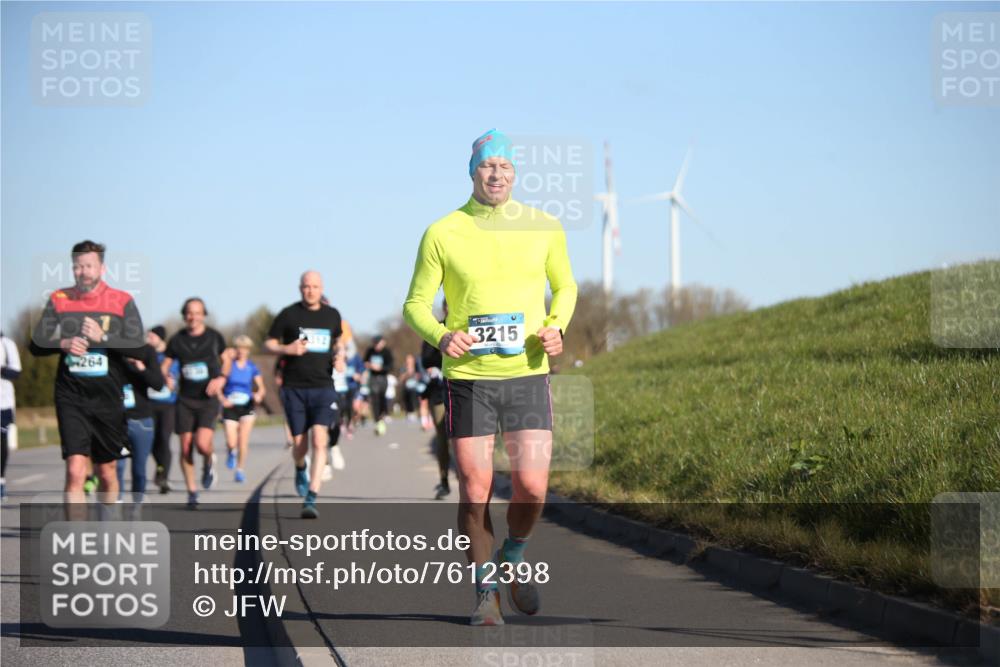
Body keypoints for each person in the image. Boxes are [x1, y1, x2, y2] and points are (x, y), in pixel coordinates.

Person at [403, 130, 577, 626]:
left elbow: (565, 286)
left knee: (531, 486)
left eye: (504, 166)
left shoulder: (543, 226)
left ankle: (512, 559)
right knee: (475, 487)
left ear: (515, 174)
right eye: (486, 165)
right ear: (472, 172)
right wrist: (440, 335)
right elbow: (414, 302)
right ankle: (485, 593)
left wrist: (556, 326)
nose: (495, 173)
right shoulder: (443, 231)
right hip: (469, 378)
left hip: (525, 372)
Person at [29, 240, 147, 506]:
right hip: (71, 395)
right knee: (75, 470)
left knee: (106, 472)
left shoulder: (122, 300)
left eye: (89, 266)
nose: (83, 272)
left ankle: (109, 524)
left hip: (107, 398)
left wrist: (103, 336)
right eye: (77, 266)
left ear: (102, 268)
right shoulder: (59, 299)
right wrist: (63, 343)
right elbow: (36, 343)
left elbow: (140, 348)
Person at [265, 271, 342, 519]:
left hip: (323, 386)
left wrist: (339, 356)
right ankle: (300, 467)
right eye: (306, 286)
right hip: (294, 388)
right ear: (300, 288)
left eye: (315, 286)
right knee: (300, 445)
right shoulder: (289, 315)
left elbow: (337, 341)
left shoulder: (332, 315)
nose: (311, 290)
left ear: (322, 289)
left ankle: (311, 496)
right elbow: (268, 343)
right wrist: (287, 348)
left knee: (320, 441)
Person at [161, 298, 229, 509]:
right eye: (189, 313)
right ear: (184, 315)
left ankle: (209, 460)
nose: (193, 317)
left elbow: (226, 359)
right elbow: (165, 365)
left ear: (203, 315)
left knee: (202, 444)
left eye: (197, 313)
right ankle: (192, 492)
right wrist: (168, 378)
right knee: (185, 447)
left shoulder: (214, 337)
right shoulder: (177, 340)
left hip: (207, 399)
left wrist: (221, 379)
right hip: (185, 399)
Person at [116, 343, 165, 502]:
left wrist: (141, 368)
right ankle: (117, 507)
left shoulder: (146, 351)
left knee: (139, 470)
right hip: (116, 421)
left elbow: (158, 384)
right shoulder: (110, 350)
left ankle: (136, 509)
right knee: (117, 467)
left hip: (142, 421)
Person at [220, 335, 265, 483]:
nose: (241, 351)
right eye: (239, 348)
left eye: (244, 348)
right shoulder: (228, 365)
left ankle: (240, 470)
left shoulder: (251, 367)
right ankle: (231, 451)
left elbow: (261, 388)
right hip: (230, 406)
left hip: (246, 406)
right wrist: (223, 399)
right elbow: (218, 383)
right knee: (232, 441)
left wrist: (258, 394)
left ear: (248, 350)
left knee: (243, 441)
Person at [420, 300, 450, 500]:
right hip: (440, 393)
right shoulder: (435, 330)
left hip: (470, 390)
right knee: (443, 436)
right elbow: (426, 361)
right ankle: (444, 480)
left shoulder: (475, 326)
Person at [146, 325, 179, 494]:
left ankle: (163, 476)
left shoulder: (172, 357)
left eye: (151, 336)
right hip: (149, 403)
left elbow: (179, 378)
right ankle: (160, 466)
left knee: (164, 439)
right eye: (148, 336)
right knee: (150, 441)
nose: (148, 339)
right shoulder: (145, 354)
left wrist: (174, 384)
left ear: (160, 338)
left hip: (168, 404)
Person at [1, 333, 22, 500]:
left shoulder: (6, 344)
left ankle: (0, 479)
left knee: (1, 444)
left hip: (3, 403)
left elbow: (16, 372)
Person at [364, 335, 394, 436]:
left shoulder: (387, 352)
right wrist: (369, 365)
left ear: (383, 342)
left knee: (381, 398)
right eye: (374, 343)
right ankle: (377, 421)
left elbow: (390, 366)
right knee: (374, 398)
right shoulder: (370, 351)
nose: (376, 346)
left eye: (378, 343)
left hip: (383, 378)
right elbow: (365, 362)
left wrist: (380, 368)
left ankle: (382, 417)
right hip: (373, 378)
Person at [400, 354, 422, 422]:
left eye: (410, 360)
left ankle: (418, 412)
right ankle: (409, 412)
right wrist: (407, 374)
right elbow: (401, 379)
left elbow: (421, 375)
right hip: (407, 387)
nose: (408, 361)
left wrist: (416, 374)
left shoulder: (417, 366)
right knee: (407, 396)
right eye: (407, 360)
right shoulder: (403, 368)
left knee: (416, 398)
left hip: (416, 387)